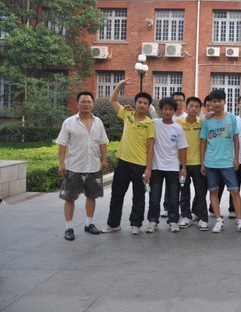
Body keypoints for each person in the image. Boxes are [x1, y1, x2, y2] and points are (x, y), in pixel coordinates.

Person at [102, 79, 155, 235]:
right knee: (117, 194)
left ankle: (136, 224)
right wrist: (120, 85)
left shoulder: (150, 123)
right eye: (140, 102)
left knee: (138, 196)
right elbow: (113, 100)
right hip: (123, 163)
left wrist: (148, 168)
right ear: (135, 103)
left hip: (140, 165)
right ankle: (113, 224)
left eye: (145, 103)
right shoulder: (127, 114)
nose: (142, 105)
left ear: (148, 107)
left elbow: (151, 147)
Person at [56, 91, 109, 241]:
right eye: (83, 101)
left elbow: (103, 143)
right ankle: (69, 228)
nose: (86, 104)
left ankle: (89, 224)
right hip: (74, 167)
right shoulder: (69, 122)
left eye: (89, 101)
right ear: (77, 103)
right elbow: (62, 144)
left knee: (92, 196)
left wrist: (104, 160)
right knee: (69, 198)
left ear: (93, 104)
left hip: (93, 166)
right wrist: (61, 163)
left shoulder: (98, 122)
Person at [200, 89, 241, 234]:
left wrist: (236, 158)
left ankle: (240, 222)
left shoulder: (231, 118)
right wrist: (202, 163)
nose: (216, 104)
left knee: (234, 191)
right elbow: (203, 142)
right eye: (214, 101)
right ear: (211, 103)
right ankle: (218, 220)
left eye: (219, 101)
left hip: (227, 162)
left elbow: (236, 139)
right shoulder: (207, 121)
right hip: (210, 162)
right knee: (213, 192)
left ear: (225, 102)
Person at [146, 97, 188, 233]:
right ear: (161, 110)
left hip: (173, 167)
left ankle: (173, 221)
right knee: (154, 197)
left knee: (173, 198)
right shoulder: (154, 124)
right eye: (165, 109)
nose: (168, 112)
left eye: (170, 109)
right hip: (156, 167)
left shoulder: (178, 128)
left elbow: (182, 149)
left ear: (174, 111)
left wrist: (183, 167)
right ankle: (153, 221)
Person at [176, 96, 209, 230]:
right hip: (181, 164)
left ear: (200, 109)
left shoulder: (203, 123)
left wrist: (203, 163)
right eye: (191, 106)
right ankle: (186, 216)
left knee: (200, 192)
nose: (194, 109)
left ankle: (202, 218)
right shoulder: (178, 123)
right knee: (184, 191)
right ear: (186, 107)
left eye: (197, 106)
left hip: (198, 163)